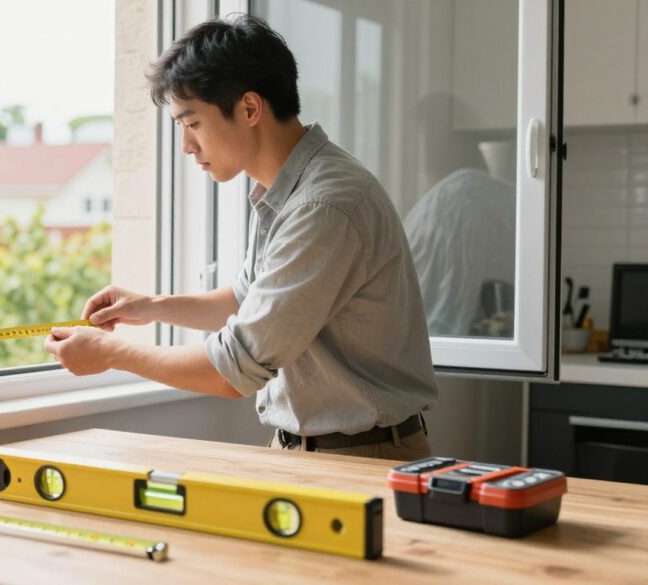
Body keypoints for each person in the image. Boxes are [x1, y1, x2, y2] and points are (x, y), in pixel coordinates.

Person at [44, 15, 438, 460]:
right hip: (305, 451)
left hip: (362, 457)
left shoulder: (322, 207)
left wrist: (110, 354)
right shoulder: (286, 189)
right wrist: (147, 307)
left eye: (191, 124)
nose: (187, 147)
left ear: (250, 109)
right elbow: (246, 301)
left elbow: (232, 373)